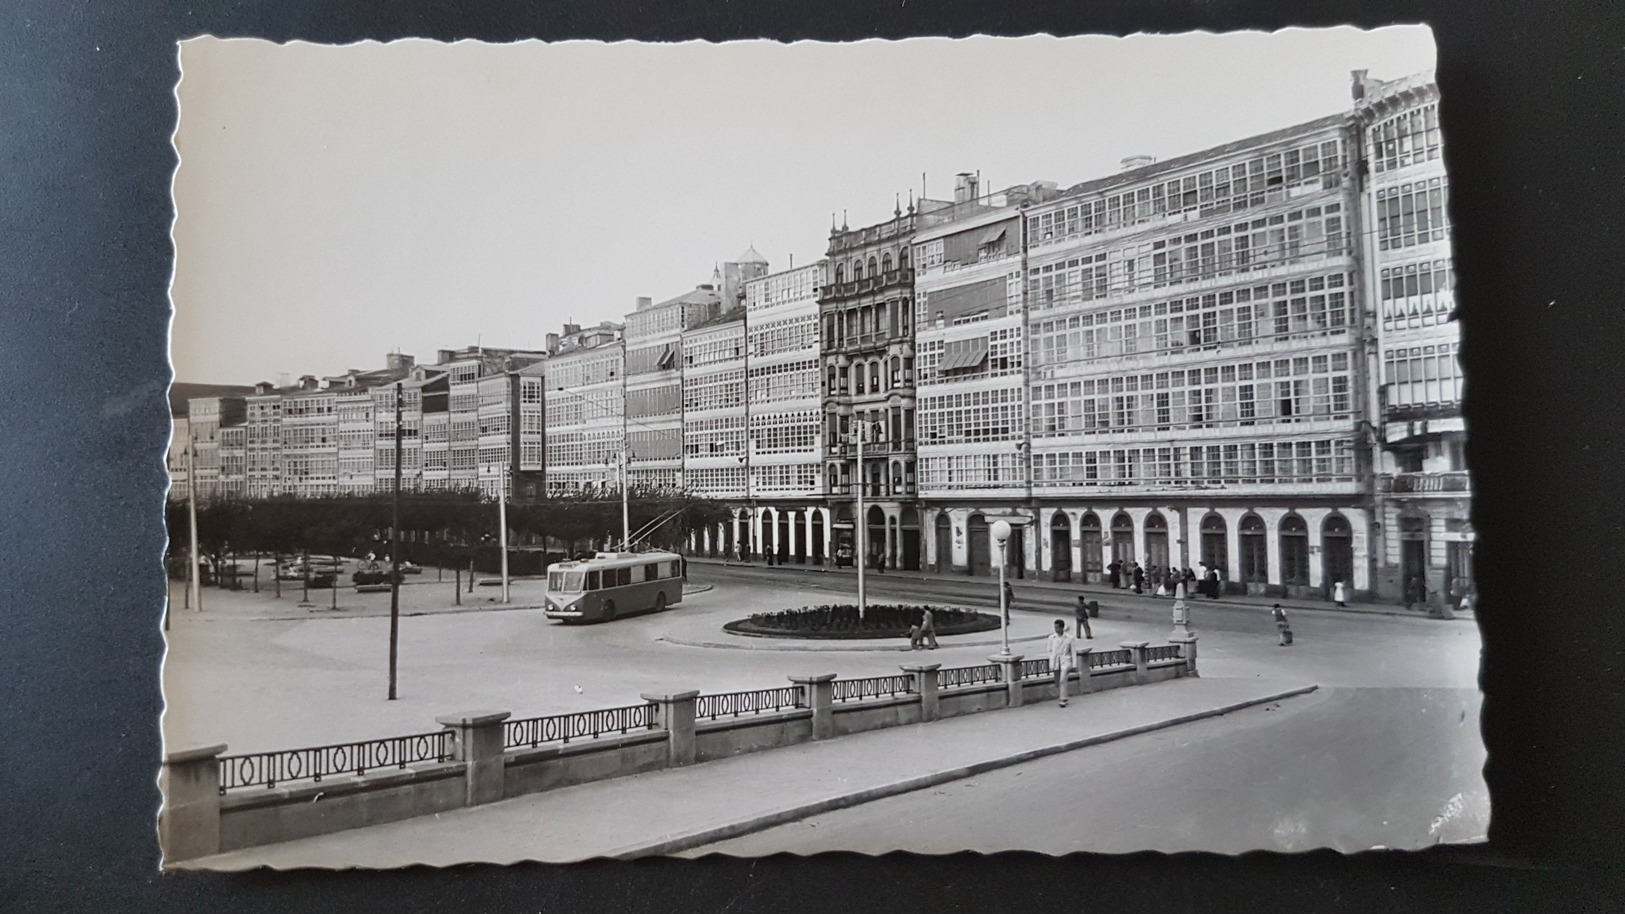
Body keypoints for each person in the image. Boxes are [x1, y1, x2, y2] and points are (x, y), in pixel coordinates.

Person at [1047, 619, 1078, 707]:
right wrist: (1052, 658)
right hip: (1056, 661)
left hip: (1066, 660)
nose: (1056, 629)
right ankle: (1062, 695)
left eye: (1057, 627)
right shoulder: (1051, 638)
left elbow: (1073, 652)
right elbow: (1049, 650)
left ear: (1062, 628)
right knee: (1057, 682)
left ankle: (1063, 699)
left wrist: (1074, 664)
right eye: (1055, 627)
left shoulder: (1069, 638)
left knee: (1062, 679)